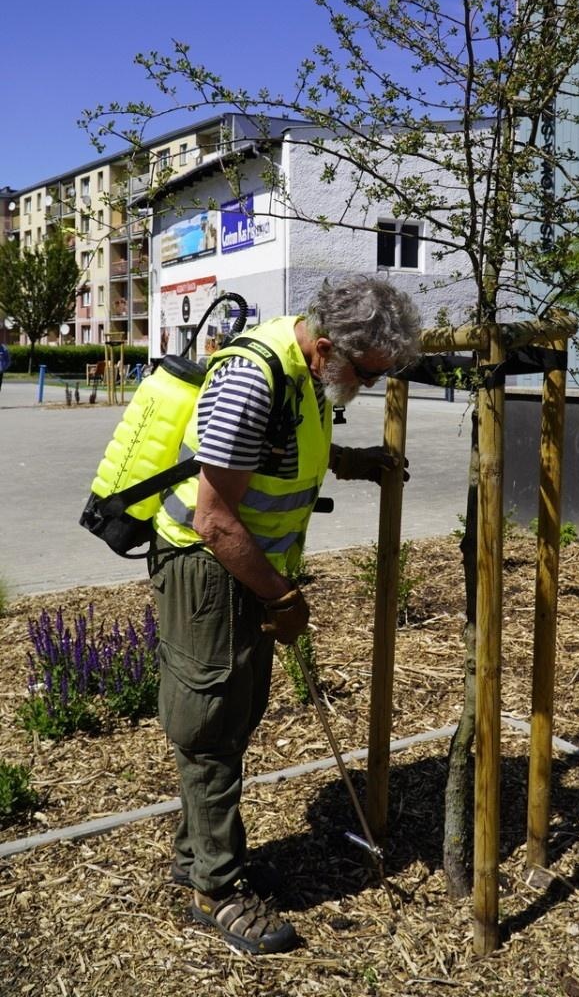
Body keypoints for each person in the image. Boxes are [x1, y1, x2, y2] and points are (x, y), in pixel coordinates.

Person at [148, 276, 421, 955]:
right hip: (209, 567)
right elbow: (214, 518)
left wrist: (356, 462)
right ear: (327, 346)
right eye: (364, 373)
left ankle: (201, 856)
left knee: (235, 716)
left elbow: (284, 450)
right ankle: (214, 890)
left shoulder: (308, 372)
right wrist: (283, 596)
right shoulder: (253, 379)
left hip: (244, 569)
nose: (364, 385)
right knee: (210, 725)